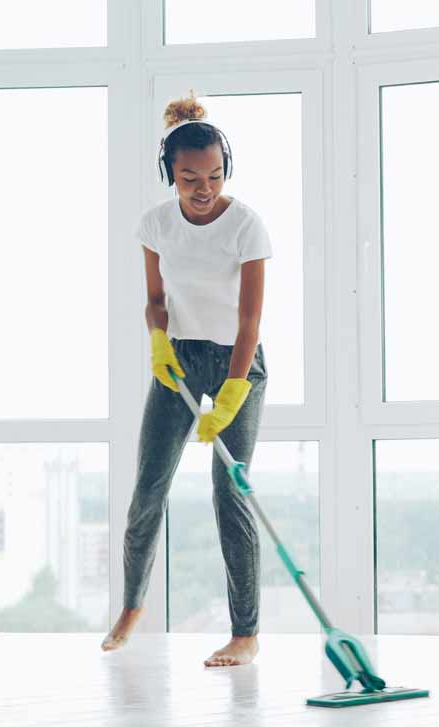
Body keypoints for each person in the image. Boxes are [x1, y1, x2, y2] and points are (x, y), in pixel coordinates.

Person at [101, 92, 271, 667]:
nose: (204, 189)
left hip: (236, 361)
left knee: (230, 493)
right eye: (190, 178)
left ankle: (245, 633)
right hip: (178, 360)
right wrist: (157, 341)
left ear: (227, 168)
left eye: (215, 176)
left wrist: (234, 391)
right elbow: (155, 300)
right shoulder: (155, 224)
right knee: (148, 487)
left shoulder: (246, 225)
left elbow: (249, 321)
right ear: (170, 173)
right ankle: (132, 606)